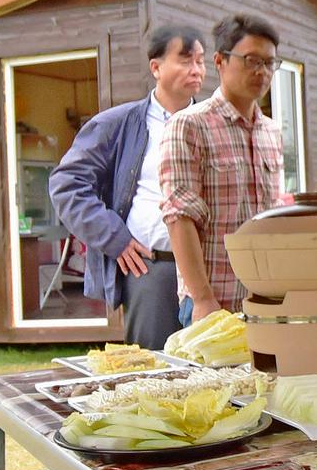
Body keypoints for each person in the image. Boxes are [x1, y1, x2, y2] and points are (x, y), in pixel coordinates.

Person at [47, 24, 207, 347]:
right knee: (154, 376)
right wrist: (114, 237)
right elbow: (66, 184)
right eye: (186, 60)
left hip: (210, 270)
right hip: (152, 270)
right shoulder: (117, 125)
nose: (196, 70)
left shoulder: (213, 124)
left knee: (218, 374)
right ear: (156, 67)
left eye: (201, 61)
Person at [161, 13, 287, 321]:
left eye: (269, 63)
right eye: (251, 60)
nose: (262, 72)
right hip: (214, 302)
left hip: (267, 300)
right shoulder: (189, 125)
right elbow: (180, 218)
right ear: (219, 61)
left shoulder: (272, 132)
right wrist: (203, 299)